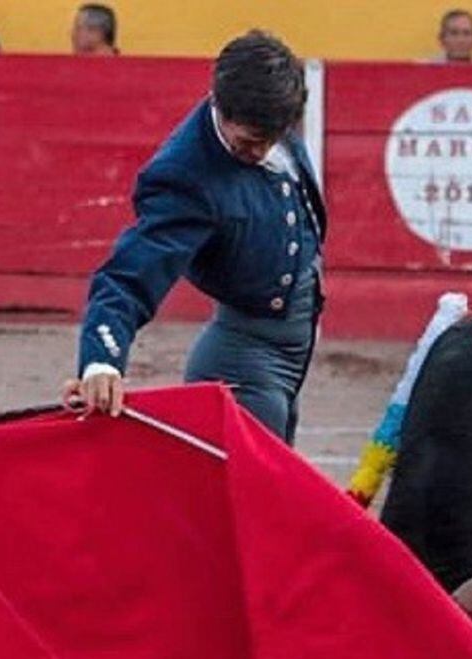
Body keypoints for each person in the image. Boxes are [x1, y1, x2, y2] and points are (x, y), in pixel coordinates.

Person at [65, 30, 326, 447]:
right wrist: (101, 361)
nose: (260, 152)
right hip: (244, 365)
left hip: (293, 352)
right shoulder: (185, 176)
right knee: (253, 502)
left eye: (270, 140)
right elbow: (128, 275)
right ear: (217, 102)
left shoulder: (271, 106)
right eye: (247, 142)